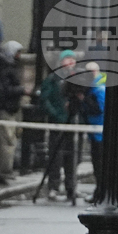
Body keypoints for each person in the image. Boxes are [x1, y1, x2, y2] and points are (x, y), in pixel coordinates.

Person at [39, 50, 79, 200]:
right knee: (55, 156)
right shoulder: (53, 79)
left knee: (72, 157)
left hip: (72, 122)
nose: (70, 62)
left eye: (72, 59)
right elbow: (45, 99)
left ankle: (71, 187)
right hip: (57, 122)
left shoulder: (77, 78)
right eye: (67, 59)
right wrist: (55, 114)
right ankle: (54, 186)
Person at [0, 41, 26, 185]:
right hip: (6, 109)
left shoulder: (10, 68)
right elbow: (5, 90)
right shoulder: (6, 69)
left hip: (12, 109)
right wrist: (21, 90)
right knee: (6, 142)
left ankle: (6, 170)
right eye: (17, 52)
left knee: (10, 141)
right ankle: (4, 171)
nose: (19, 55)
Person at [84, 62, 106, 181]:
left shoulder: (99, 87)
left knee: (99, 161)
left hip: (99, 130)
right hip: (93, 129)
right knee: (96, 160)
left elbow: (99, 109)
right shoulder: (90, 87)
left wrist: (85, 99)